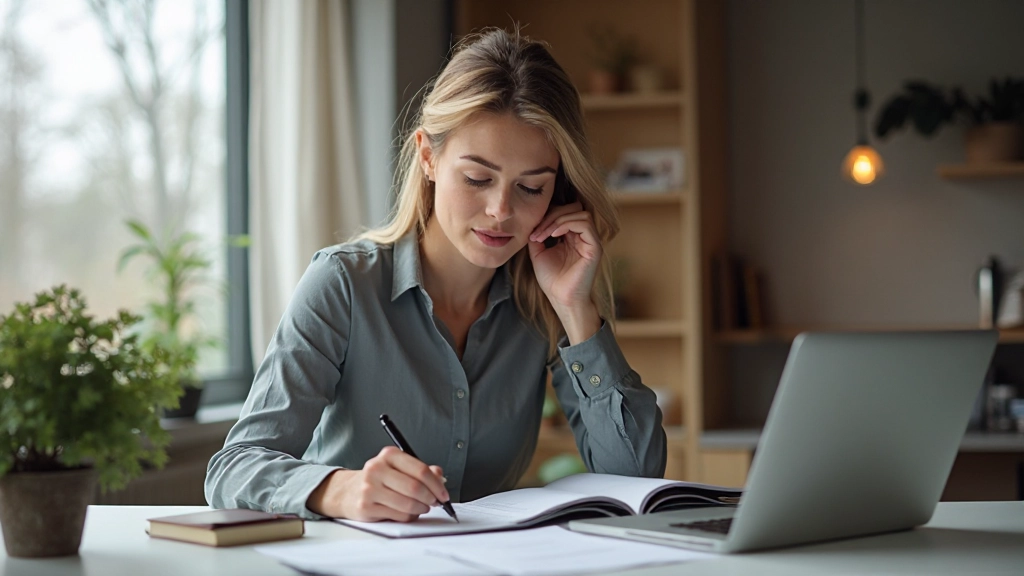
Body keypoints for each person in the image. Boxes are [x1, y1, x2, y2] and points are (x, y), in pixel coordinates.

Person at [205, 28, 666, 523]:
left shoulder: (542, 305)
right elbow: (233, 470)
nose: (500, 210)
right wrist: (340, 490)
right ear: (428, 156)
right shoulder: (343, 285)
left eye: (531, 188)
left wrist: (577, 310)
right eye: (477, 179)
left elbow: (636, 480)